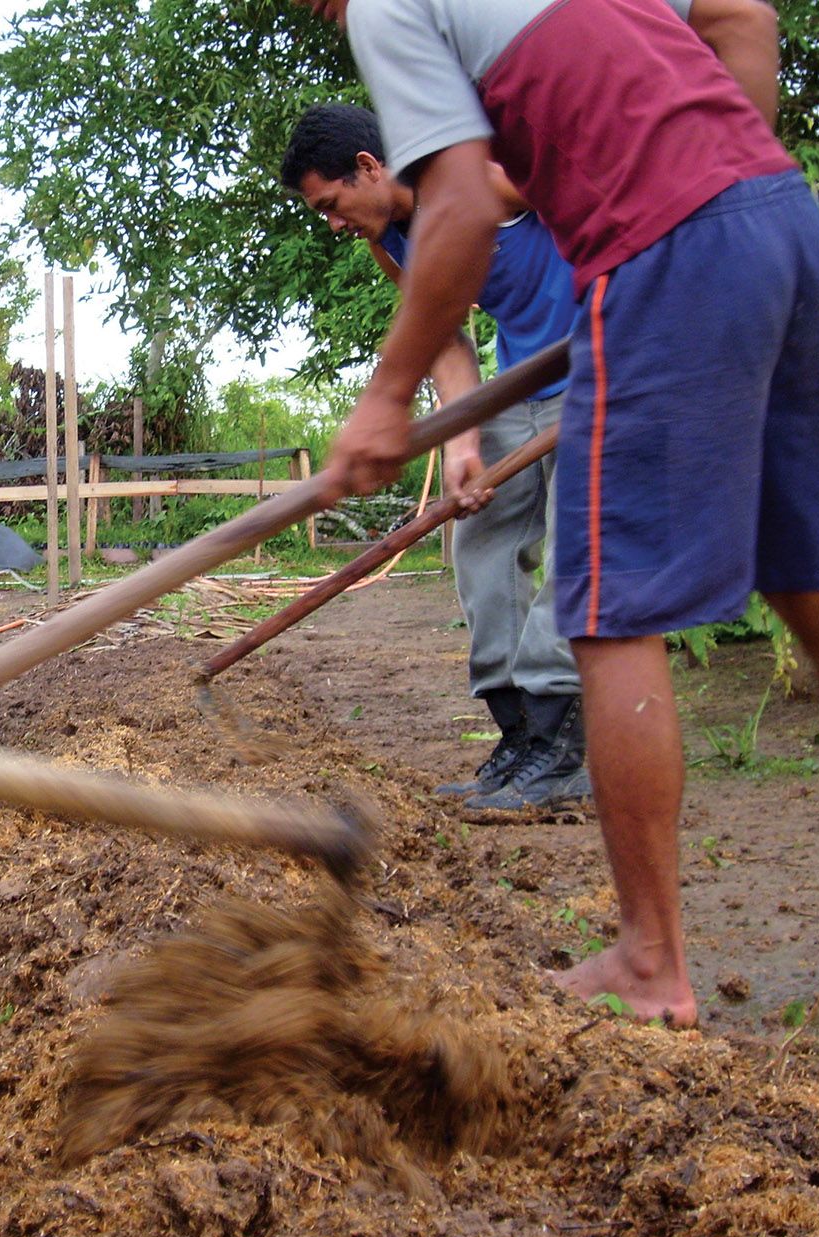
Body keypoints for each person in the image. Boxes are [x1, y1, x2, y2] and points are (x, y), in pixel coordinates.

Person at [292, 0, 819, 1026]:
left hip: (667, 252)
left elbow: (460, 210)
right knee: (818, 593)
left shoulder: (391, 7)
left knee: (604, 607)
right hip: (780, 220)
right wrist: (723, 182)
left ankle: (647, 957)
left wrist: (384, 395)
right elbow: (737, 13)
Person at [281, 103, 587, 812]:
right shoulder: (391, 240)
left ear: (370, 167)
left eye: (331, 205)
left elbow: (598, 210)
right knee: (480, 537)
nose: (332, 223)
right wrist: (464, 440)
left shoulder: (483, 182)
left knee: (579, 553)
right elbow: (446, 337)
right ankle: (521, 736)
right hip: (519, 380)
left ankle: (563, 746)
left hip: (600, 364)